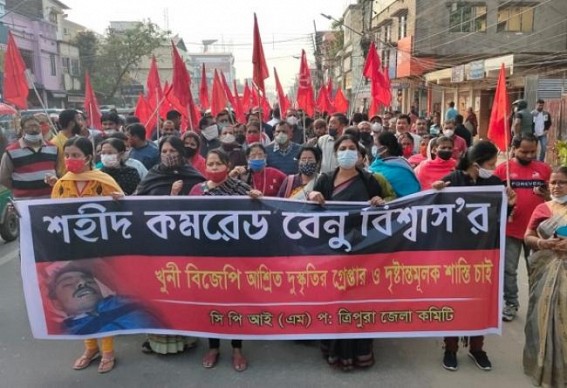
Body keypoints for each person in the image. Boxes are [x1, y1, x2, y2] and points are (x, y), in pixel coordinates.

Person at [433, 140, 516, 372]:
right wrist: (436, 190)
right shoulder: (453, 180)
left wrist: (509, 203)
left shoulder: (495, 183)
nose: (493, 167)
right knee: (453, 299)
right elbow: (433, 210)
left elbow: (499, 219)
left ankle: (477, 348)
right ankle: (450, 348)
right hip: (454, 253)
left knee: (480, 301)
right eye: (490, 163)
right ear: (476, 163)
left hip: (483, 255)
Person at [308, 134, 386, 372]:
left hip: (362, 253)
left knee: (358, 303)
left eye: (352, 148)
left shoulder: (370, 180)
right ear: (336, 153)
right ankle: (333, 350)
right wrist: (313, 196)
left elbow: (383, 210)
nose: (347, 151)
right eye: (343, 148)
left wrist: (378, 201)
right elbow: (306, 209)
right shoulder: (324, 180)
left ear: (360, 154)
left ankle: (360, 351)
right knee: (334, 301)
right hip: (332, 252)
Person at [181, 149, 262, 372]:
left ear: (227, 165)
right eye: (210, 164)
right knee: (210, 304)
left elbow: (258, 217)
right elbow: (185, 221)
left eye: (218, 164)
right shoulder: (197, 190)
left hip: (234, 258)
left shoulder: (240, 189)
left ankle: (237, 348)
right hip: (205, 259)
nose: (214, 168)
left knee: (234, 304)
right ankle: (213, 347)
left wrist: (256, 198)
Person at [51, 136, 124, 373]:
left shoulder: (104, 181)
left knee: (104, 299)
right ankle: (90, 347)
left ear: (89, 157)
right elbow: (52, 215)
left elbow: (124, 215)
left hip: (103, 251)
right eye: (67, 155)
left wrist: (119, 202)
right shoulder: (61, 184)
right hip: (73, 252)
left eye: (75, 155)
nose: (70, 160)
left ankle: (109, 350)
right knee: (81, 301)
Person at [134, 136, 204, 355]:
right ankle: (156, 338)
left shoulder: (194, 176)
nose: (168, 154)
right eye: (164, 151)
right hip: (157, 247)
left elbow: (205, 207)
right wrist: (169, 196)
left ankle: (186, 337)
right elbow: (136, 203)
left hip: (185, 247)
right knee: (158, 293)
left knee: (182, 291)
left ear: (182, 152)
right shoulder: (153, 176)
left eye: (173, 150)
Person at [494, 134, 551, 322]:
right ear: (514, 149)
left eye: (533, 152)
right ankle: (511, 303)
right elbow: (491, 200)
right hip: (510, 230)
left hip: (538, 230)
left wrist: (548, 193)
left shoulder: (544, 170)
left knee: (536, 268)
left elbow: (555, 198)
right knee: (509, 270)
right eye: (524, 151)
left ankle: (538, 304)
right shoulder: (503, 170)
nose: (529, 155)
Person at [523, 166, 567, 387]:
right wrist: (542, 243)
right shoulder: (543, 208)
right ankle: (545, 371)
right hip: (545, 268)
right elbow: (528, 236)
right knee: (540, 320)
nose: (556, 186)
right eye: (553, 182)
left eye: (561, 182)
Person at [48, 264, 160, 335]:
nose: (83, 283)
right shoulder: (68, 333)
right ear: (57, 303)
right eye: (68, 283)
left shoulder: (126, 300)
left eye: (89, 280)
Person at [0, 116, 58, 199]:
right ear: (22, 130)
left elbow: (58, 171)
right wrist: (19, 189)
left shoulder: (53, 148)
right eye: (29, 127)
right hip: (23, 201)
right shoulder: (11, 151)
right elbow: (3, 178)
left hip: (50, 198)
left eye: (36, 126)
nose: (34, 129)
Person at [135, 136, 204, 196]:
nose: (168, 154)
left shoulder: (192, 176)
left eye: (172, 151)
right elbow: (139, 196)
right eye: (164, 151)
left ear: (180, 152)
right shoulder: (154, 174)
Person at [369, 131, 421, 197]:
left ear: (384, 149)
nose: (374, 148)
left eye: (376, 145)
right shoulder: (377, 164)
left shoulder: (401, 169)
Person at [52, 109, 82, 177]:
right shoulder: (55, 143)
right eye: (79, 119)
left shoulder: (80, 140)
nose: (81, 123)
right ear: (71, 123)